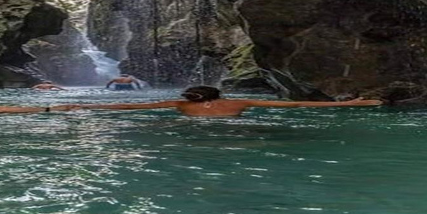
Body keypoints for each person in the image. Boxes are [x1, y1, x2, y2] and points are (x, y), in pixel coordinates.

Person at [58, 85, 382, 117]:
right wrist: (352, 104)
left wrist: (84, 105)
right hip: (235, 132)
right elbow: (296, 106)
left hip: (195, 137)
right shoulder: (238, 103)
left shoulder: (178, 106)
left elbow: (128, 108)